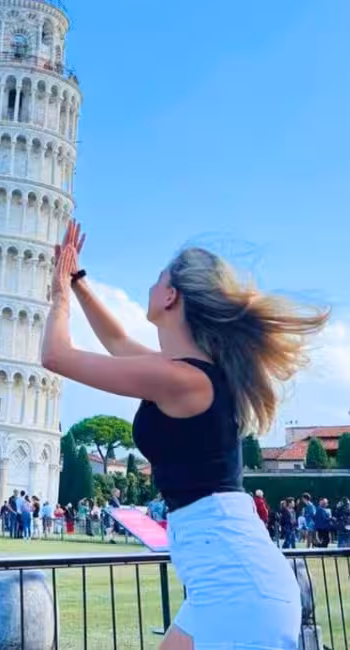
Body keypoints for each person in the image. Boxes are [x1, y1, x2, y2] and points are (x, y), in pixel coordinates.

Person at [41, 219, 328, 649]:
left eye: (159, 279)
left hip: (238, 584)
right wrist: (79, 281)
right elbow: (118, 342)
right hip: (221, 580)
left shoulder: (185, 380)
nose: (151, 285)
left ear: (172, 296)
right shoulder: (183, 374)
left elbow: (55, 355)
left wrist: (59, 294)